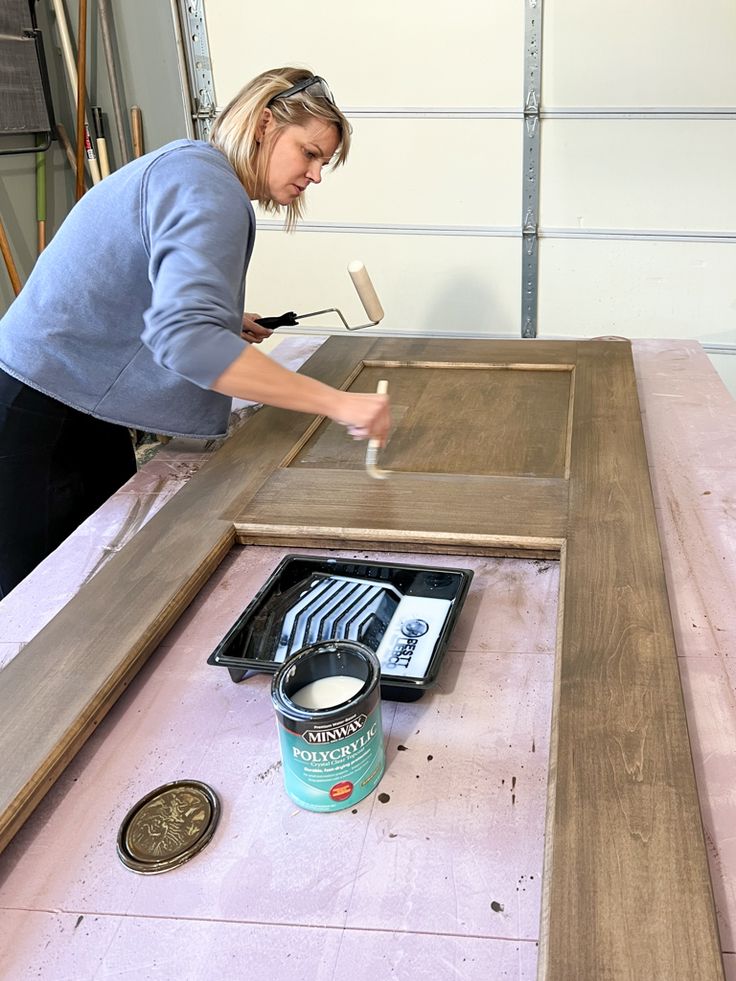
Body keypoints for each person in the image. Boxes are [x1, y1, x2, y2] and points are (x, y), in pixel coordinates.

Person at [0, 67, 390, 598]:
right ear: (264, 125)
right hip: (37, 408)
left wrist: (227, 320)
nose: (315, 175)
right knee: (35, 597)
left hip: (73, 394)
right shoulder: (208, 188)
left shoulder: (190, 168)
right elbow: (190, 342)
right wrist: (338, 404)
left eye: (323, 162)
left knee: (91, 578)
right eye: (310, 153)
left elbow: (150, 290)